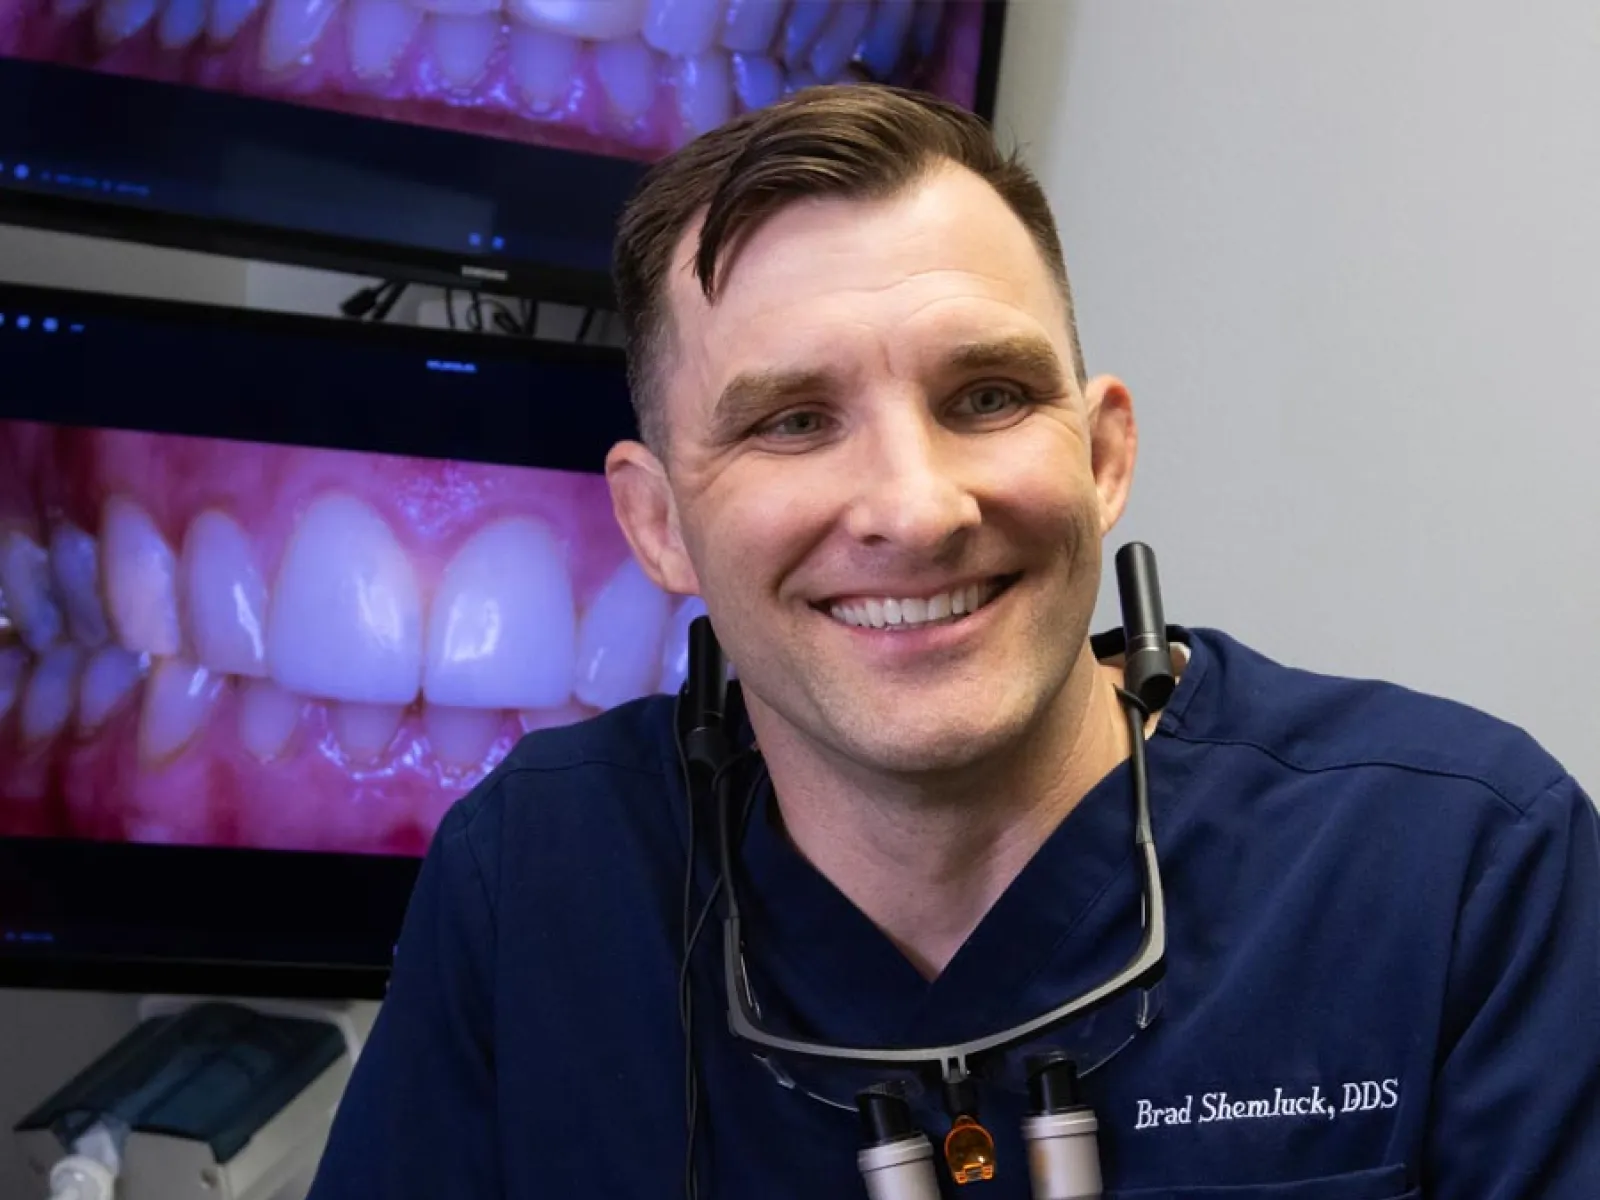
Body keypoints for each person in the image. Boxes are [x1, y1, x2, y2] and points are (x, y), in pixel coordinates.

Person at [305, 85, 1599, 1199]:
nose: (918, 509)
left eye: (987, 397)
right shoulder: (532, 889)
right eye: (794, 422)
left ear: (1102, 456)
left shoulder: (1461, 870)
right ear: (657, 524)